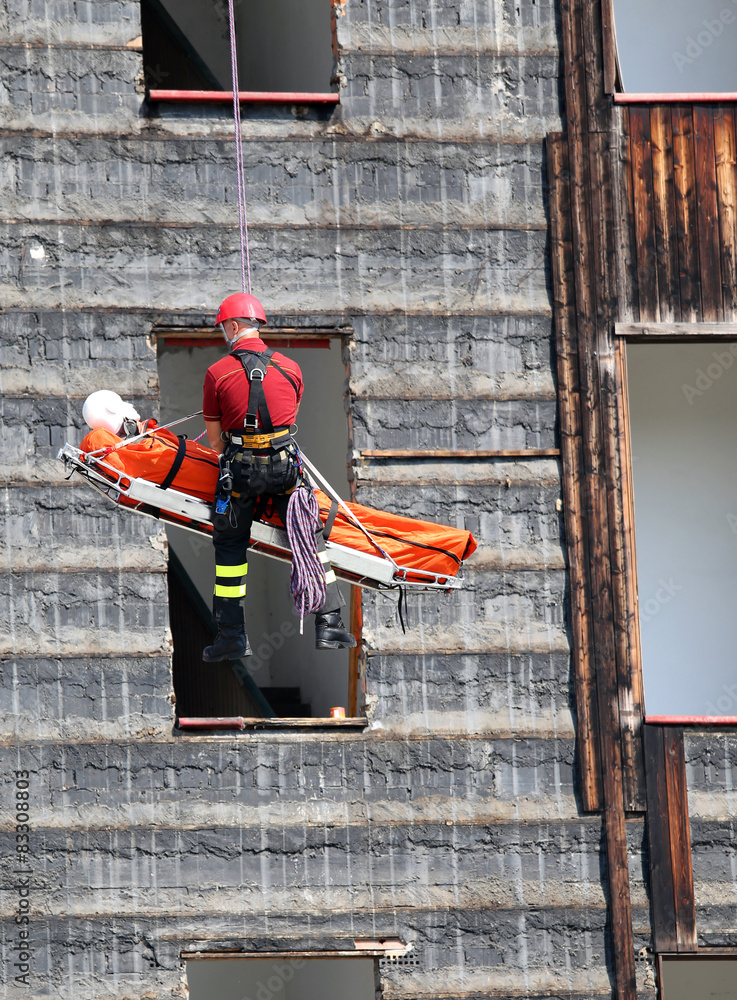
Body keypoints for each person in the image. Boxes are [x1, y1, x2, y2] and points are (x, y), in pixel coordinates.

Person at [201, 292, 356, 662]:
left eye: (225, 326)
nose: (224, 332)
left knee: (230, 548)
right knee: (308, 535)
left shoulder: (217, 373)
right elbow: (286, 420)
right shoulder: (291, 368)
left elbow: (214, 442)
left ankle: (232, 636)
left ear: (234, 326)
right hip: (286, 467)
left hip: (240, 471)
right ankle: (330, 624)